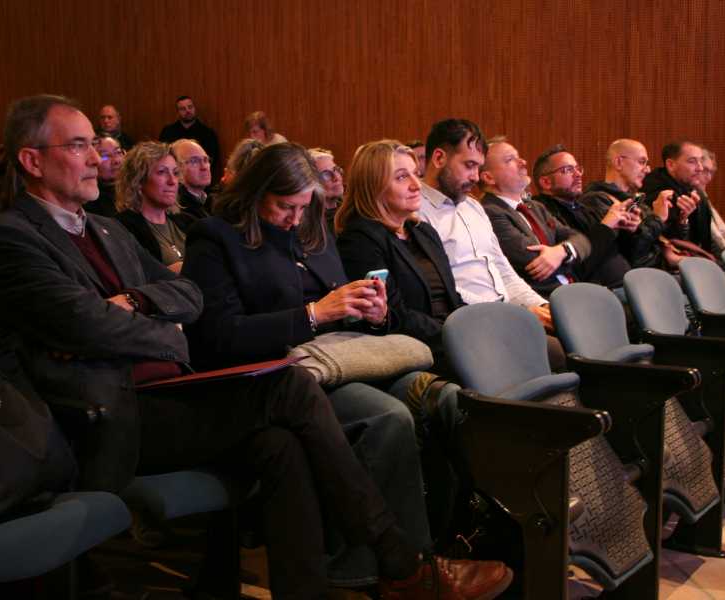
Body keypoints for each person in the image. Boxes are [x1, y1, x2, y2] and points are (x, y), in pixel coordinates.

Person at [0, 94, 511, 600]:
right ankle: (402, 566)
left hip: (173, 389)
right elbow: (88, 324)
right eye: (77, 145)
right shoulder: (12, 237)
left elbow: (187, 295)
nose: (97, 156)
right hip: (105, 414)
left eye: (92, 143)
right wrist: (155, 325)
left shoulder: (105, 231)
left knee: (281, 445)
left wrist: (136, 305)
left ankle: (322, 587)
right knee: (290, 389)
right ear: (32, 160)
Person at [181, 141, 512, 596]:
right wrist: (315, 313)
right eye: (284, 206)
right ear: (255, 193)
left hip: (347, 357)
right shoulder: (216, 239)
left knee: (443, 398)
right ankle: (402, 568)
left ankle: (460, 539)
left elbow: (341, 301)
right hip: (282, 374)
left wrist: (365, 310)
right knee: (388, 417)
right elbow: (217, 338)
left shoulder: (311, 231)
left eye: (303, 206)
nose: (294, 219)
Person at [416, 118, 565, 371]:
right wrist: (514, 314)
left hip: (506, 312)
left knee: (574, 329)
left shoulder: (474, 207)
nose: (476, 177)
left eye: (479, 167)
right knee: (556, 352)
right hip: (470, 321)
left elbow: (502, 270)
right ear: (439, 158)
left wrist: (539, 305)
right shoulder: (416, 211)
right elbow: (445, 289)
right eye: (469, 165)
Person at [335, 139, 464, 378]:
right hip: (417, 348)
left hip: (453, 338)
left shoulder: (424, 232)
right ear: (374, 187)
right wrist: (458, 336)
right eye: (402, 177)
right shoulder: (359, 240)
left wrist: (474, 325)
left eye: (416, 174)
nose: (417, 185)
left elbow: (451, 298)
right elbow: (394, 314)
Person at [478, 136, 590, 297]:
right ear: (489, 177)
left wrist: (562, 251)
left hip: (573, 291)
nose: (523, 162)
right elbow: (533, 263)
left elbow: (581, 240)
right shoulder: (490, 212)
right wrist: (571, 255)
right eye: (510, 159)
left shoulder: (535, 207)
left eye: (519, 157)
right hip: (543, 299)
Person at [532, 144, 638, 288]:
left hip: (627, 284)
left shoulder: (584, 208)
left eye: (577, 168)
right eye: (567, 170)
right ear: (546, 182)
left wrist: (628, 231)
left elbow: (619, 252)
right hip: (599, 293)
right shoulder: (544, 213)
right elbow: (579, 266)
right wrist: (606, 226)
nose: (578, 174)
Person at [580, 138, 688, 271]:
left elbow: (665, 239)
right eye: (642, 162)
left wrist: (682, 220)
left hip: (659, 271)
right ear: (619, 162)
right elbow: (633, 253)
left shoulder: (636, 200)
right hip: (637, 279)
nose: (647, 170)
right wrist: (658, 218)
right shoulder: (597, 200)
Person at [115, 141, 194, 272]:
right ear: (138, 181)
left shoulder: (187, 221)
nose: (172, 181)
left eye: (175, 173)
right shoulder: (122, 227)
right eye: (162, 172)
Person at [640, 140, 715, 254]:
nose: (700, 168)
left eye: (700, 161)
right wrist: (682, 221)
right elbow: (664, 242)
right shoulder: (658, 193)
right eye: (692, 161)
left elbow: (706, 242)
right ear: (671, 165)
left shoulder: (694, 192)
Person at [159, 96, 220, 174]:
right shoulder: (168, 131)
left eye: (190, 107)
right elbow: (162, 156)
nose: (187, 111)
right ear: (178, 112)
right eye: (183, 109)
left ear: (194, 108)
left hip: (199, 176)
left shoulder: (207, 133)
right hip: (173, 175)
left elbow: (211, 160)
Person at [84, 134, 123, 218]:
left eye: (118, 152)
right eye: (105, 156)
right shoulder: (89, 202)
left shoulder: (136, 189)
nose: (116, 160)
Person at [172, 138, 212, 220]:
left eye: (205, 160)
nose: (204, 167)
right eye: (194, 161)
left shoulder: (211, 200)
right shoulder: (180, 209)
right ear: (176, 168)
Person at [309, 147, 344, 231]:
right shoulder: (310, 223)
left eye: (336, 170)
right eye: (326, 174)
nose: (336, 178)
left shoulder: (349, 211)